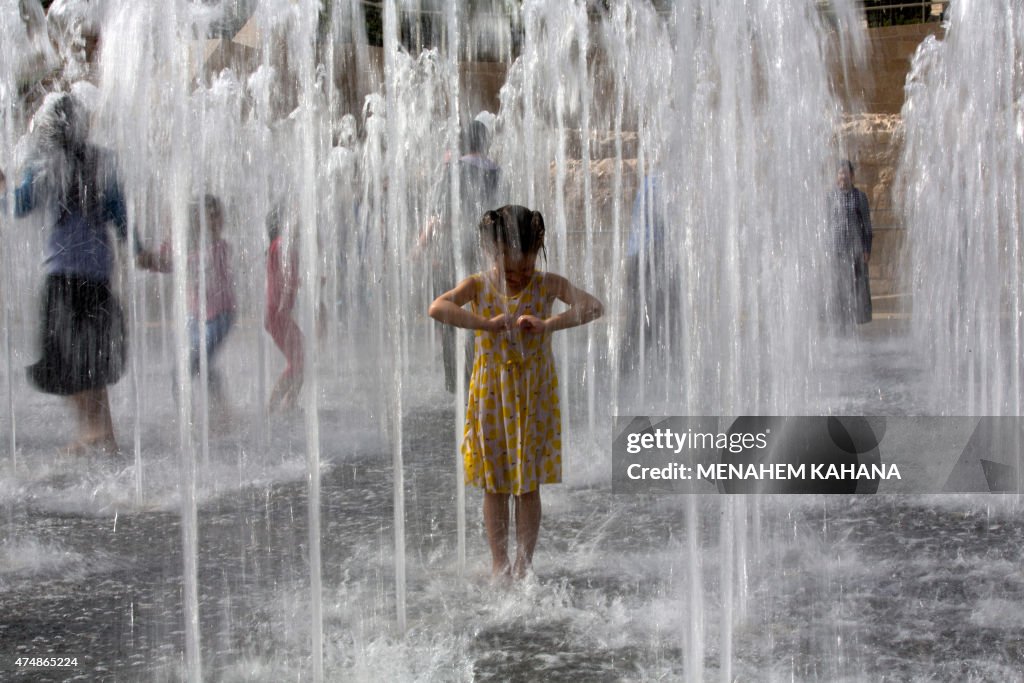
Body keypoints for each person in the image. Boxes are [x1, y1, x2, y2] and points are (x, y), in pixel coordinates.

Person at [428, 205, 603, 580]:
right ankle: (499, 564)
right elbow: (437, 308)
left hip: (533, 396)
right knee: (495, 484)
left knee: (527, 485)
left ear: (538, 250)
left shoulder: (548, 284)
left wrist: (549, 323)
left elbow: (592, 307)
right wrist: (485, 324)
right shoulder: (478, 285)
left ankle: (524, 564)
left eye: (526, 267)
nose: (520, 277)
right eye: (510, 270)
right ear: (493, 255)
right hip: (492, 395)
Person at [0, 91, 138, 455]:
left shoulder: (47, 162)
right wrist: (141, 252)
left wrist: (2, 187)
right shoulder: (102, 162)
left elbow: (20, 205)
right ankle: (104, 432)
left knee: (65, 359)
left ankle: (92, 430)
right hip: (98, 276)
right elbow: (120, 216)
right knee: (92, 357)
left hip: (63, 275)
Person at [137, 194, 237, 417]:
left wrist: (163, 258)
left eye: (217, 216)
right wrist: (151, 259)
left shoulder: (220, 248)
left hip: (220, 316)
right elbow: (169, 262)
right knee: (199, 366)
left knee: (186, 368)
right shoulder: (187, 246)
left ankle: (207, 417)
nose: (216, 221)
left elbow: (186, 263)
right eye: (210, 216)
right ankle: (205, 416)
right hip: (194, 317)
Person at [421, 119, 501, 393]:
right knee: (484, 307)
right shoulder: (497, 171)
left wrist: (422, 244)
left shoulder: (454, 170)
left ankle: (455, 381)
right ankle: (483, 371)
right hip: (486, 249)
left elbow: (439, 215)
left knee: (450, 308)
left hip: (453, 248)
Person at [264, 207, 303, 412]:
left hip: (278, 314)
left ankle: (289, 405)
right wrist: (300, 281)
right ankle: (272, 408)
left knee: (303, 359)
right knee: (300, 360)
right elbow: (283, 277)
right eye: (295, 216)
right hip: (276, 314)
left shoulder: (283, 246)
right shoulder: (280, 245)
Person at [827, 159, 873, 326]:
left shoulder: (859, 197)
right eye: (840, 173)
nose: (843, 176)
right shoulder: (831, 197)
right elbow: (826, 224)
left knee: (856, 285)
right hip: (836, 249)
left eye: (846, 173)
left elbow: (867, 224)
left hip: (856, 250)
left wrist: (867, 248)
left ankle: (855, 319)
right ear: (836, 176)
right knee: (838, 285)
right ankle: (840, 321)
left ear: (852, 176)